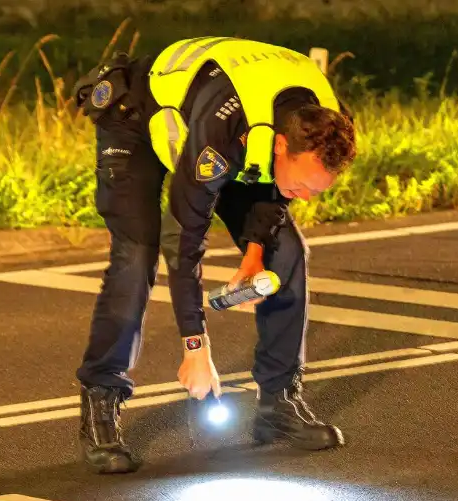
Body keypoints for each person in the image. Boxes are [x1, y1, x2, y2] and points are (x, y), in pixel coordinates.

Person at [71, 36, 358, 474]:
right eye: (304, 186)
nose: (306, 197)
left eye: (316, 191)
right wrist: (196, 346)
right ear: (282, 146)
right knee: (138, 252)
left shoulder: (322, 119)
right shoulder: (221, 134)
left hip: (244, 126)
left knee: (288, 252)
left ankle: (279, 402)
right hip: (138, 118)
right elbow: (185, 236)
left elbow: (275, 191)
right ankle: (101, 402)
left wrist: (256, 252)